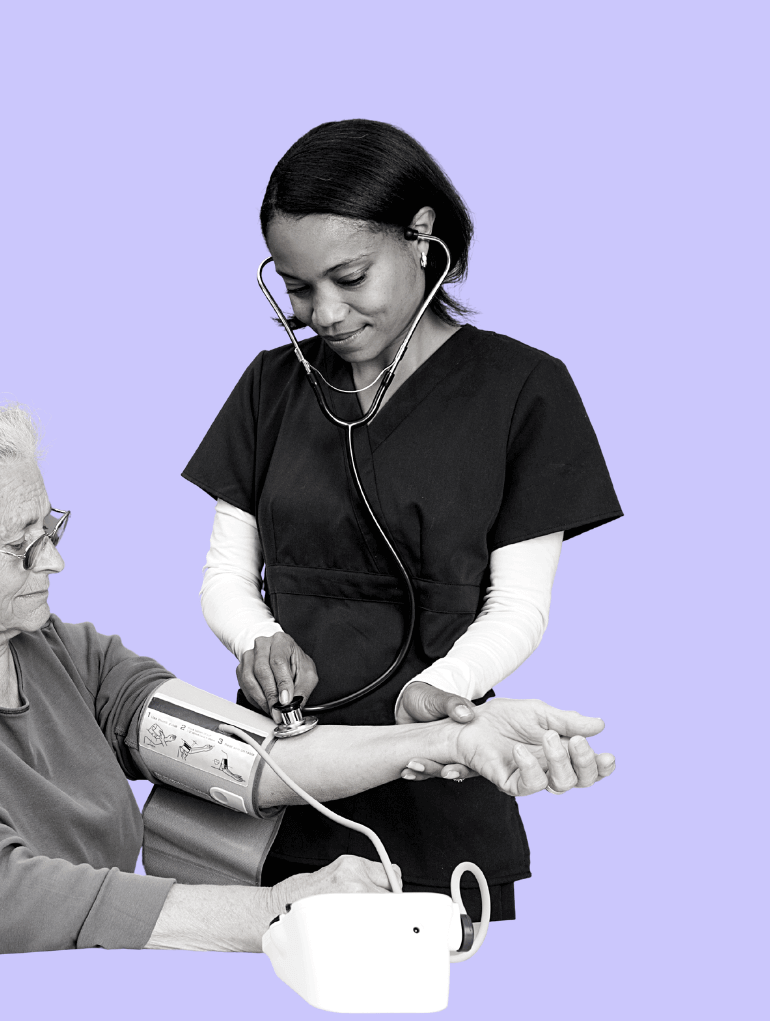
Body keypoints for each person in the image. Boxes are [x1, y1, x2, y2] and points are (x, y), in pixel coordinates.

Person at [0, 393, 613, 962]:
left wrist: (449, 740)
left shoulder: (65, 653)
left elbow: (250, 758)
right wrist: (278, 910)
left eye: (51, 528)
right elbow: (4, 897)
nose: (53, 560)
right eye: (20, 544)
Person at [183, 119, 623, 920]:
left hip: (438, 782)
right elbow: (224, 576)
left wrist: (439, 693)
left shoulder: (524, 390)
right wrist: (256, 640)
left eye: (350, 277)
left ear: (422, 236)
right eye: (298, 288)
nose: (326, 313)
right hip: (277, 781)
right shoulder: (270, 386)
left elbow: (519, 606)